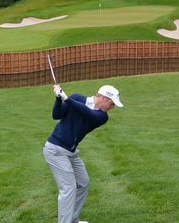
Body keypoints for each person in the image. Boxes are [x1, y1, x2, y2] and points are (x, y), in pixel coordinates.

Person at [43, 84, 123, 223]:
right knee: (68, 187)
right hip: (55, 150)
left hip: (71, 152)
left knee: (83, 183)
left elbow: (87, 113)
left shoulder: (102, 116)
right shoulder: (76, 98)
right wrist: (58, 99)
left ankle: (72, 219)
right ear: (104, 98)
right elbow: (56, 115)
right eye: (111, 103)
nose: (112, 107)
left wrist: (66, 99)